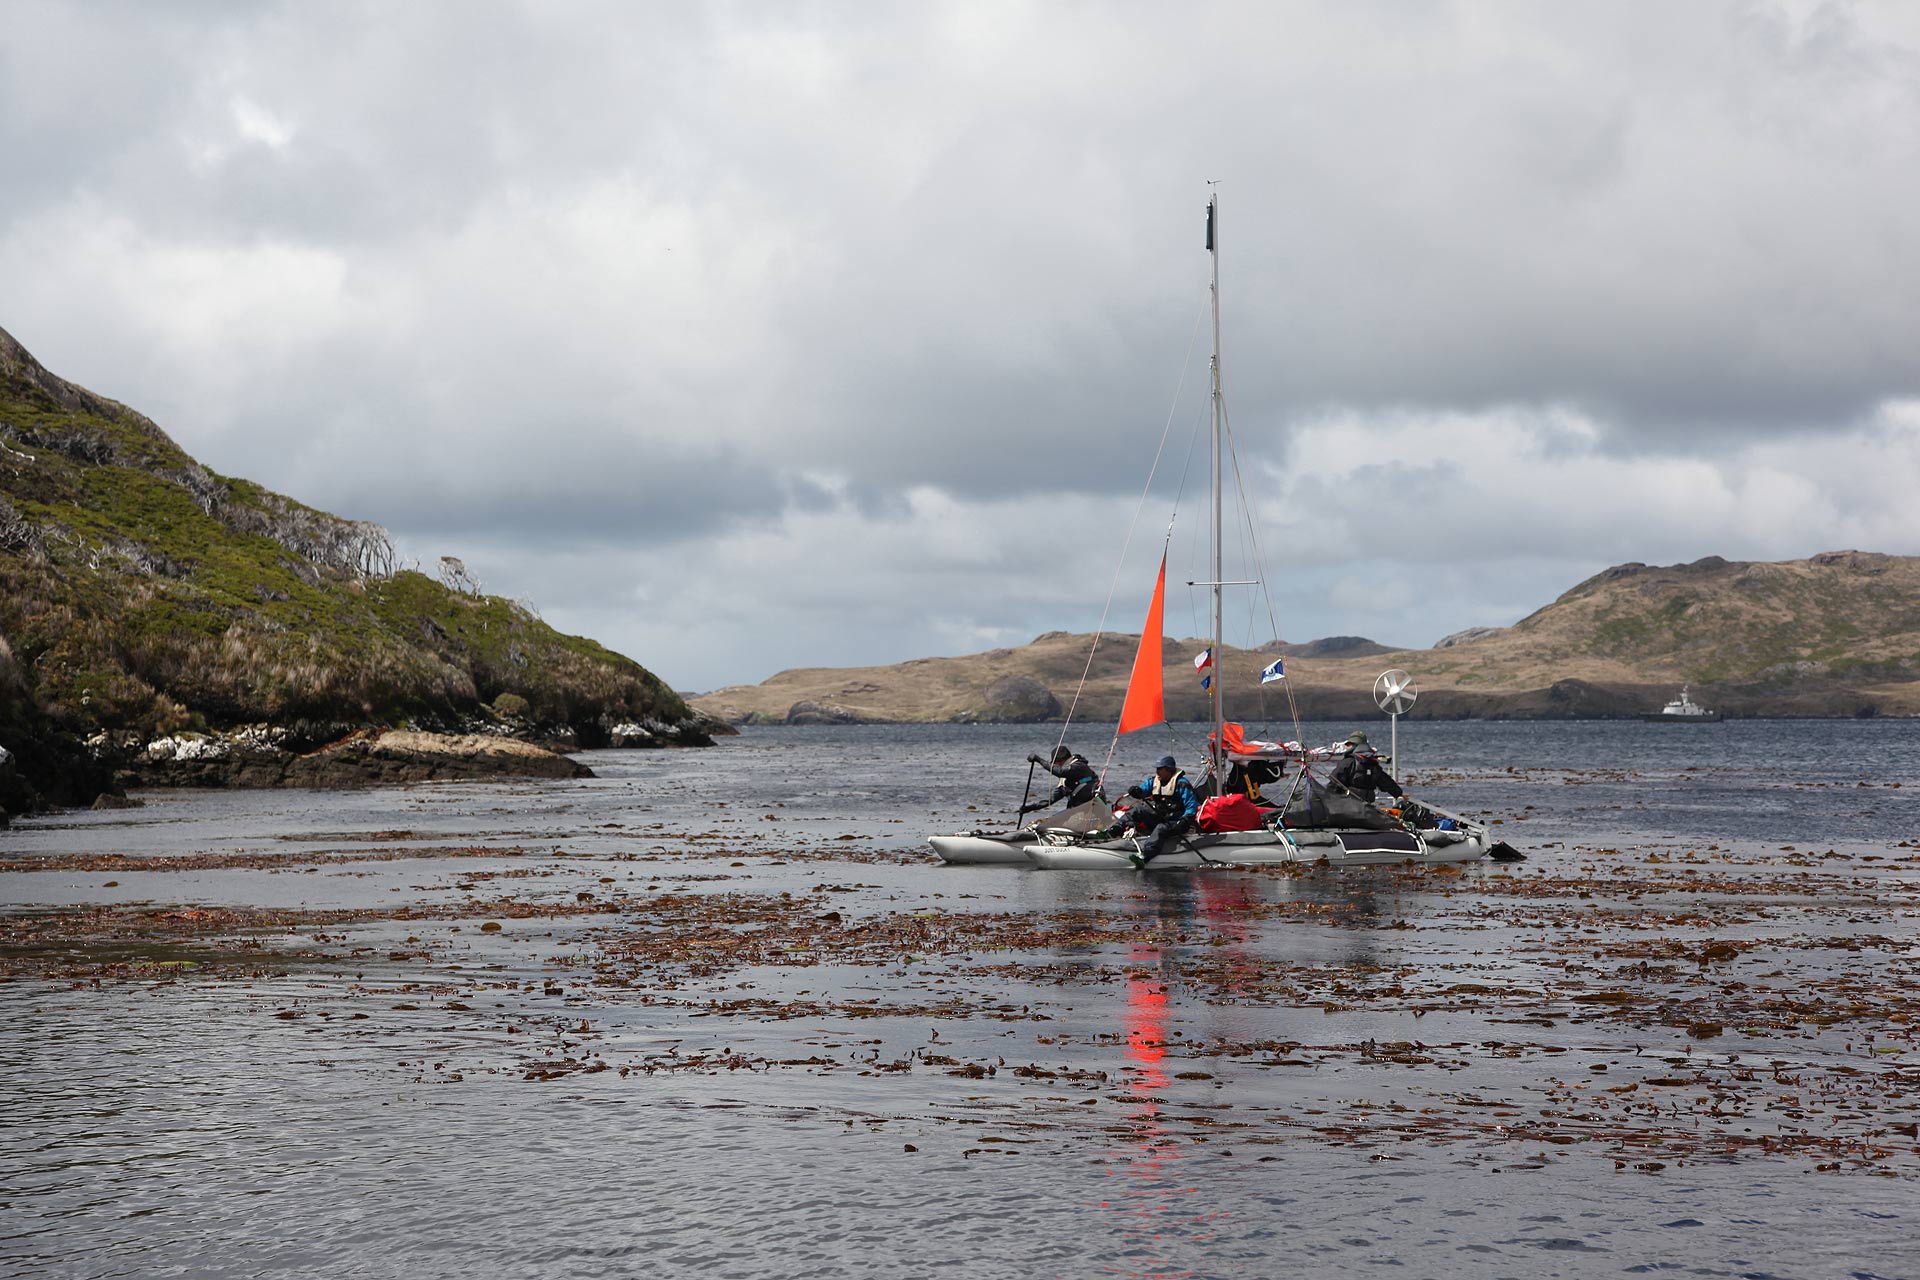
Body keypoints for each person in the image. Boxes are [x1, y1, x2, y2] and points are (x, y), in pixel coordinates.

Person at [1119, 754, 1200, 867]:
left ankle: (1146, 855)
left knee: (1161, 828)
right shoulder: (1154, 781)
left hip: (1177, 823)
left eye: (1160, 769)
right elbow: (1142, 791)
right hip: (1160, 818)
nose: (1157, 772)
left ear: (1168, 770)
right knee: (1137, 810)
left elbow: (1191, 807)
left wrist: (1184, 820)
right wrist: (1136, 791)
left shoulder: (1182, 784)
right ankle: (1112, 831)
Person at [1329, 731, 1404, 805]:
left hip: (1348, 806)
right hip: (1367, 806)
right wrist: (1399, 793)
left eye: (1349, 744)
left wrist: (1328, 799)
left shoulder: (1348, 762)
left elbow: (1333, 783)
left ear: (1354, 746)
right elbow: (1386, 782)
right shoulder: (1373, 764)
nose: (1346, 747)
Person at [1022, 745, 1101, 812]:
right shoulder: (1064, 780)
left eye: (1055, 764)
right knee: (1051, 822)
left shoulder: (1079, 766)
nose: (1055, 766)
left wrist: (1039, 760)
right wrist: (1031, 808)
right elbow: (1051, 800)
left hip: (1092, 807)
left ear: (1060, 761)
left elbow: (1060, 772)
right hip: (1077, 809)